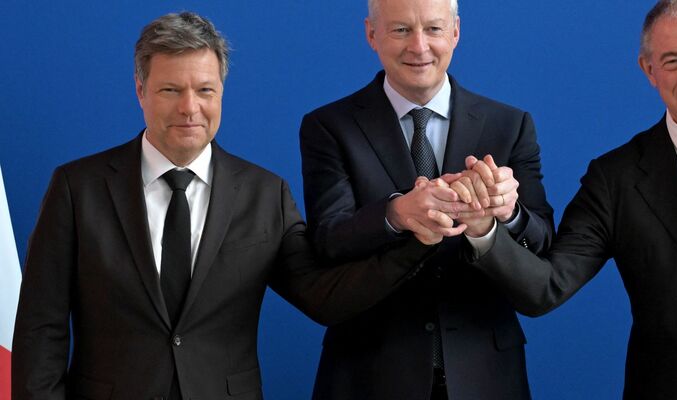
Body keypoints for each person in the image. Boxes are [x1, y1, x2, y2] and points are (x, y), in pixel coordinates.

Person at [11, 12, 447, 400]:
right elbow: (39, 328)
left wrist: (418, 239)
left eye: (205, 89)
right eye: (169, 90)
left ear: (221, 91)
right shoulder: (77, 188)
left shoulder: (265, 194)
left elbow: (323, 298)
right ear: (140, 90)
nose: (189, 108)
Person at [462, 0, 677, 398]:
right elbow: (546, 288)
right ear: (649, 70)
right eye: (672, 61)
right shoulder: (614, 179)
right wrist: (484, 229)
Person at [298, 0, 554, 398]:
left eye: (433, 29)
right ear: (371, 34)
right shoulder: (328, 127)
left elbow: (542, 242)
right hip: (369, 374)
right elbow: (328, 241)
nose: (419, 47)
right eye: (400, 30)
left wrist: (507, 214)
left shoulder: (510, 125)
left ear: (455, 32)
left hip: (486, 374)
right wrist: (396, 213)